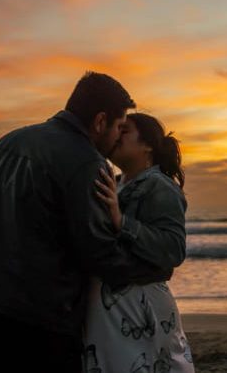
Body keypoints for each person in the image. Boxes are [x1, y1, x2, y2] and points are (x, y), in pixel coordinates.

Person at [0, 72, 171, 373]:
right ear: (100, 122)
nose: (116, 137)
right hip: (36, 320)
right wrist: (154, 268)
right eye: (117, 127)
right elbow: (98, 252)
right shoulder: (86, 161)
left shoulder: (6, 143)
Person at [83, 113, 194, 373]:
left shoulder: (159, 185)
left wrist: (122, 222)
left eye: (125, 131)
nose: (115, 135)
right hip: (113, 305)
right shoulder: (116, 182)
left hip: (141, 305)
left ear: (148, 145)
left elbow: (173, 249)